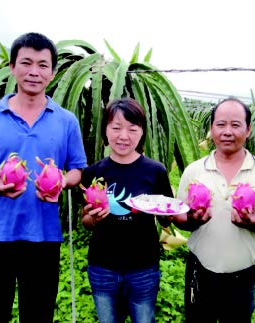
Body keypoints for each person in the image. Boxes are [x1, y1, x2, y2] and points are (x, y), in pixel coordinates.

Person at [0, 32, 87, 323]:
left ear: (53, 72)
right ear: (12, 67)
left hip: (43, 237)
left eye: (43, 65)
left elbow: (77, 170)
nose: (34, 71)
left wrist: (62, 182)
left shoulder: (66, 120)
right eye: (26, 63)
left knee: (38, 315)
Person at [173, 97, 255, 323]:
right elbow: (179, 216)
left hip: (243, 277)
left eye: (235, 125)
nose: (227, 131)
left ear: (248, 130)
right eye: (221, 124)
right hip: (200, 271)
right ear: (211, 129)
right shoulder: (194, 171)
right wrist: (192, 221)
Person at [80, 97, 174, 323]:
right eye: (116, 128)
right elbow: (85, 219)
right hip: (103, 268)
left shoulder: (155, 171)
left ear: (142, 132)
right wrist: (92, 218)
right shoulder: (92, 173)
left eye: (133, 129)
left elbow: (167, 218)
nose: (124, 136)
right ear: (105, 130)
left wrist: (166, 212)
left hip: (143, 267)